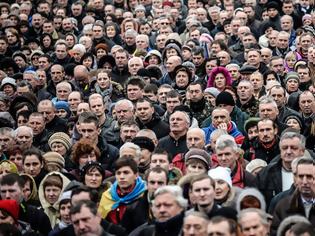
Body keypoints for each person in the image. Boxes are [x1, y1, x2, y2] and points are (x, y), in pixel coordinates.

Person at [271, 157, 315, 234]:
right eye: (301, 176)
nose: (304, 181)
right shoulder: (282, 206)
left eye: (309, 176)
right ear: (295, 178)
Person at [98, 157, 146, 224]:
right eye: (118, 173)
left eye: (126, 173)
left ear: (136, 175)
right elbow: (101, 222)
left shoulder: (145, 193)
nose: (122, 177)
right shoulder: (108, 195)